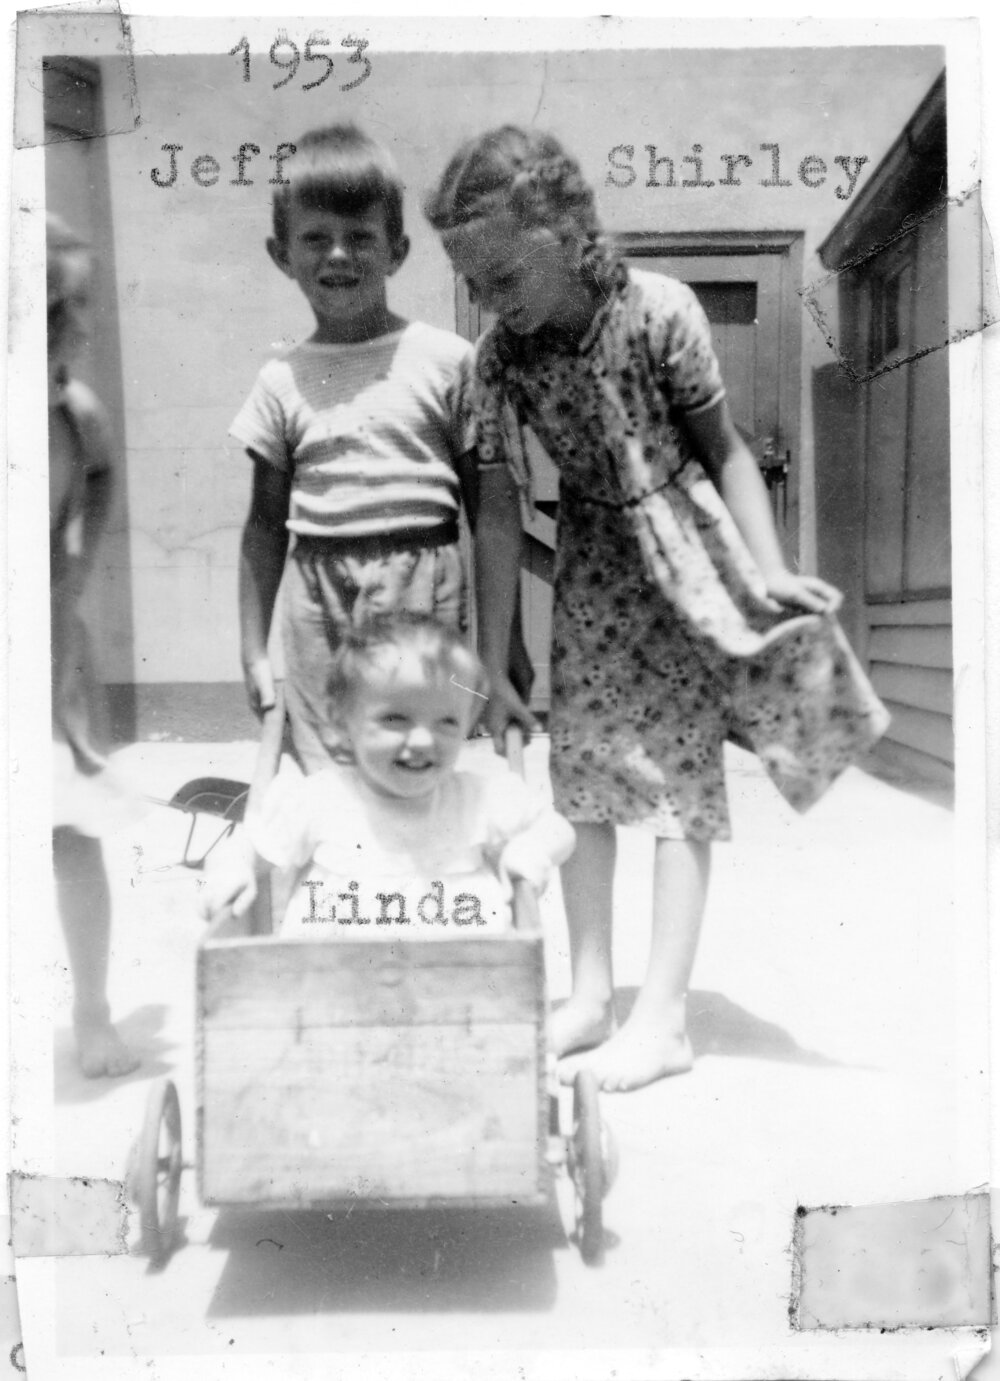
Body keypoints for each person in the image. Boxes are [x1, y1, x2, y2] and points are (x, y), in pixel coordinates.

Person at [425, 126, 889, 1093]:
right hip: (595, 563)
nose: (488, 297)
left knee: (681, 781)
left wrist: (767, 570)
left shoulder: (660, 311)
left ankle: (664, 1016)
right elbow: (499, 507)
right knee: (583, 770)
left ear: (562, 230)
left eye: (503, 272)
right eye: (472, 279)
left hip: (685, 555)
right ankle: (591, 994)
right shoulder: (500, 359)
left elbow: (724, 450)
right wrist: (495, 653)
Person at [230, 123, 481, 774]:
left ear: (396, 251)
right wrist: (255, 653)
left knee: (417, 759)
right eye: (316, 237)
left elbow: (492, 511)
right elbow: (262, 528)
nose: (338, 254)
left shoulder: (448, 362)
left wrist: (502, 642)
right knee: (331, 768)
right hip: (318, 601)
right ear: (281, 253)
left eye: (360, 237)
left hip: (424, 589)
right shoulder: (279, 381)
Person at [201, 614, 575, 934]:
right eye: (396, 719)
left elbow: (558, 829)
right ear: (341, 724)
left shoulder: (479, 799)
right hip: (333, 993)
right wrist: (232, 868)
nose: (423, 740)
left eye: (446, 722)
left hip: (460, 990)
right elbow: (249, 844)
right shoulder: (321, 800)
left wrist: (531, 852)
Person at [48, 214, 140, 1078]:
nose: (76, 326)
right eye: (51, 310)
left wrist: (70, 579)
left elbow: (98, 487)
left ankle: (92, 1009)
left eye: (77, 307)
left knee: (72, 832)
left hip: (46, 646)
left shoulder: (76, 417)